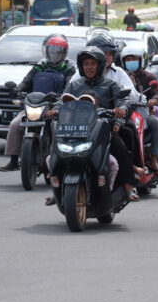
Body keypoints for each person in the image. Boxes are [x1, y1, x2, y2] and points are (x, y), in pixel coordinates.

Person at [59, 46, 140, 201]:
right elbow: (62, 100)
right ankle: (56, 186)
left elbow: (123, 101)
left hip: (103, 128)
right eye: (86, 64)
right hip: (77, 129)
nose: (89, 67)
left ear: (100, 65)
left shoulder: (110, 84)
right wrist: (54, 110)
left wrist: (120, 112)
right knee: (56, 147)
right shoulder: (74, 85)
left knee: (120, 147)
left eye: (92, 64)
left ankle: (129, 186)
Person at [0, 34, 76, 172]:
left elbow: (70, 86)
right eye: (52, 51)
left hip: (57, 108)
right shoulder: (40, 65)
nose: (54, 54)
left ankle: (57, 161)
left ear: (64, 53)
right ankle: (13, 160)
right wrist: (17, 90)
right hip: (35, 105)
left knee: (57, 128)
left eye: (58, 51)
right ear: (46, 51)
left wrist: (62, 98)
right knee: (15, 124)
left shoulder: (69, 67)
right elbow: (26, 81)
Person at [121, 45, 158, 175]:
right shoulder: (120, 76)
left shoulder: (149, 76)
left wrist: (153, 101)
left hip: (144, 112)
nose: (131, 61)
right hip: (124, 113)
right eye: (128, 59)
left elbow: (156, 93)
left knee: (157, 124)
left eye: (134, 58)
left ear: (141, 60)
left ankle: (154, 159)